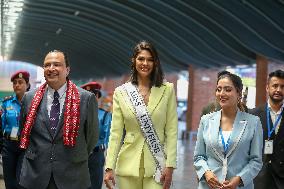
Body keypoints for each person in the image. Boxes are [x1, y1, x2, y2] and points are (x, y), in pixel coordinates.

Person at [18, 50, 99, 189]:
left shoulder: (86, 99)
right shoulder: (29, 98)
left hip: (72, 175)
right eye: (47, 65)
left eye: (57, 64)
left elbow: (91, 138)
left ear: (67, 70)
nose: (51, 69)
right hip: (35, 174)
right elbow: (22, 131)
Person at [104, 41, 178, 189]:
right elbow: (116, 133)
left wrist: (170, 166)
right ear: (134, 60)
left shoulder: (167, 89)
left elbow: (172, 130)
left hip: (157, 167)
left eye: (150, 59)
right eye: (141, 59)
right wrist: (109, 166)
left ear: (156, 62)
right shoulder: (121, 92)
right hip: (128, 164)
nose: (145, 63)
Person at [194, 72, 263, 189]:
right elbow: (199, 156)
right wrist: (206, 172)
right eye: (218, 89)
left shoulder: (253, 122)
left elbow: (256, 161)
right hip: (209, 185)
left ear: (238, 93)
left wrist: (240, 178)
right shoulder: (206, 121)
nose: (222, 93)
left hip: (239, 186)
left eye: (228, 90)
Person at [249, 70, 284, 189]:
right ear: (267, 88)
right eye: (275, 86)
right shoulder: (253, 115)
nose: (278, 90)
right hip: (259, 180)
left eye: (282, 86)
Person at [1, 70, 30, 189]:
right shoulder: (6, 103)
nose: (17, 85)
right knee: (9, 181)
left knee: (21, 181)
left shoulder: (32, 104)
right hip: (9, 146)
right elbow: (1, 125)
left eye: (20, 82)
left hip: (25, 147)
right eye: (14, 83)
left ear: (27, 85)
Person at [81, 81, 112, 189]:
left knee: (94, 185)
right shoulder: (76, 115)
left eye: (93, 95)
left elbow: (108, 137)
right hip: (78, 155)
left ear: (97, 96)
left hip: (96, 155)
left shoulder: (105, 115)